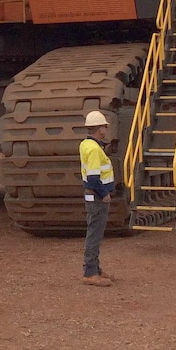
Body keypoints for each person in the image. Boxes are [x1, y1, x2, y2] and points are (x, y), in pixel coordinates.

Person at [79, 110, 115, 287]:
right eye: (104, 127)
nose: (106, 130)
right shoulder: (94, 149)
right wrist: (105, 193)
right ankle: (90, 272)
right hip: (97, 196)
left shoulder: (86, 145)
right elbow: (94, 178)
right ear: (100, 129)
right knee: (95, 233)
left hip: (92, 195)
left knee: (94, 231)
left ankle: (95, 269)